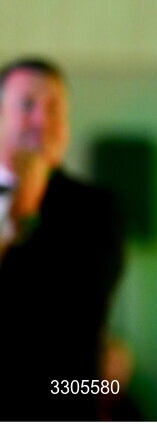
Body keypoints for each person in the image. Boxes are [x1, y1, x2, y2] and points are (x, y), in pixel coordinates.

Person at [0, 57, 124, 419]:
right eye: (27, 105)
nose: (41, 120)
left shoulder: (95, 209)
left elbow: (82, 311)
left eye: (54, 109)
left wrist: (30, 203)